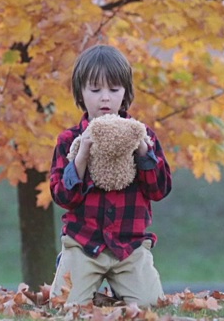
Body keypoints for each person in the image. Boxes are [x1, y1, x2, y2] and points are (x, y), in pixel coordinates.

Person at [49, 45, 172, 307]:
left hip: (129, 246)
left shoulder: (144, 135)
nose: (105, 98)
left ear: (126, 93)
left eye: (114, 90)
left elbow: (159, 190)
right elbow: (62, 197)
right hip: (83, 243)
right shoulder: (68, 140)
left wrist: (143, 151)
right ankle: (70, 267)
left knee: (151, 304)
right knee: (65, 305)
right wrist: (81, 156)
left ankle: (122, 288)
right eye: (95, 90)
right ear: (80, 93)